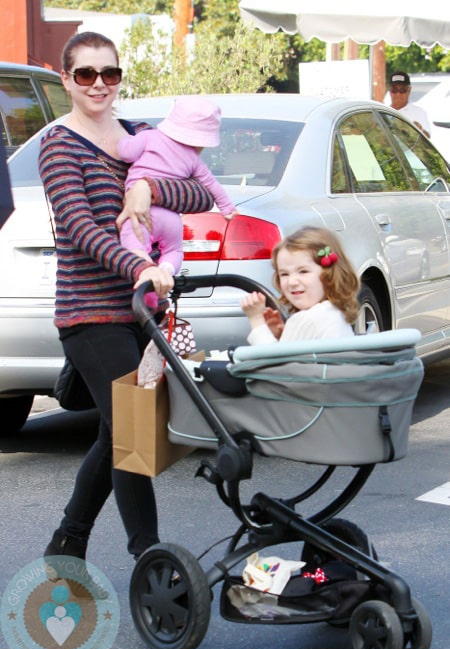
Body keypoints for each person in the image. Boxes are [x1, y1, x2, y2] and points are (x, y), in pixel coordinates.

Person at [38, 31, 214, 562]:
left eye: (109, 74)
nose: (99, 85)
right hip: (90, 314)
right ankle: (150, 558)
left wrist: (151, 189)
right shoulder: (58, 143)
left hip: (145, 312)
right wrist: (139, 265)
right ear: (66, 78)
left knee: (119, 431)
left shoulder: (141, 135)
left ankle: (68, 542)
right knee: (131, 429)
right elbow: (81, 228)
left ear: (119, 78)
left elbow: (201, 190)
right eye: (86, 74)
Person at [118, 95, 237, 308]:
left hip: (143, 215)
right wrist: (227, 208)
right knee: (174, 251)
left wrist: (124, 141)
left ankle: (149, 282)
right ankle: (165, 271)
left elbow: (126, 153)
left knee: (135, 246)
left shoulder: (149, 137)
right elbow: (212, 187)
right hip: (171, 219)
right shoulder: (194, 160)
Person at [240, 227, 360, 344]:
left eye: (303, 272)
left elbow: (273, 362)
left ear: (330, 275)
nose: (292, 282)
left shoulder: (306, 320)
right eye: (284, 274)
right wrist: (280, 336)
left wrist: (256, 320)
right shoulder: (335, 313)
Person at [387, 71, 431, 139]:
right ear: (389, 90)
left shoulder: (419, 112)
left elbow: (427, 138)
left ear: (409, 90)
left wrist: (419, 130)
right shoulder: (383, 111)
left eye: (402, 90)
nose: (398, 94)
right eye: (394, 89)